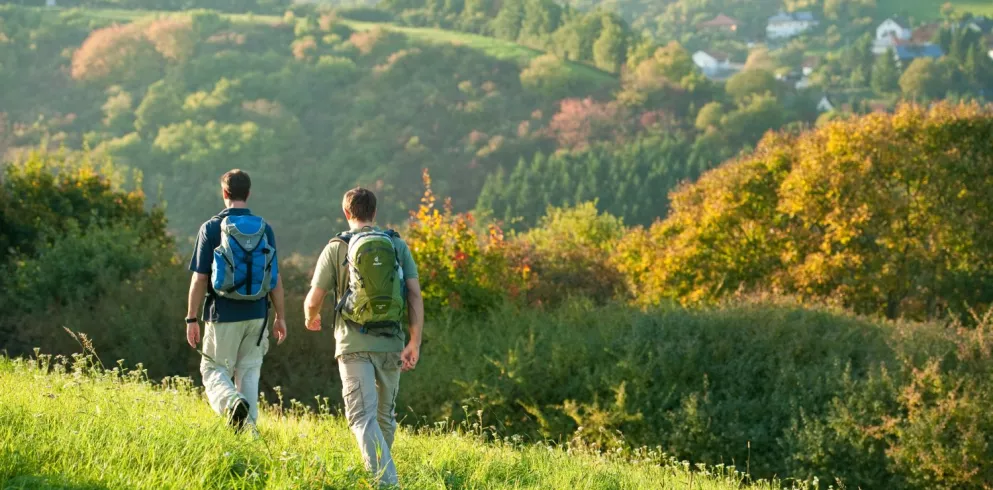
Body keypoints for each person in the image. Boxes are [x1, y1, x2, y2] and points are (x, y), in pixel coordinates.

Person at [304, 187, 423, 486]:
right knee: (384, 416)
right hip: (393, 342)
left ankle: (386, 482)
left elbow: (313, 298)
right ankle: (383, 476)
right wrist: (414, 341)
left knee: (361, 417)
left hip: (352, 343)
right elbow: (414, 295)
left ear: (347, 213)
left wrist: (310, 318)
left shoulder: (337, 247)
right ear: (375, 213)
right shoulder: (396, 244)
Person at [185, 169, 287, 431]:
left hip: (223, 313)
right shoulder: (265, 229)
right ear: (248, 194)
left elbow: (199, 279)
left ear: (224, 193)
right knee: (249, 374)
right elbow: (274, 279)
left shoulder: (211, 228)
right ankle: (248, 436)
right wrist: (281, 317)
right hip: (258, 314)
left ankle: (231, 404)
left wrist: (192, 318)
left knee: (213, 369)